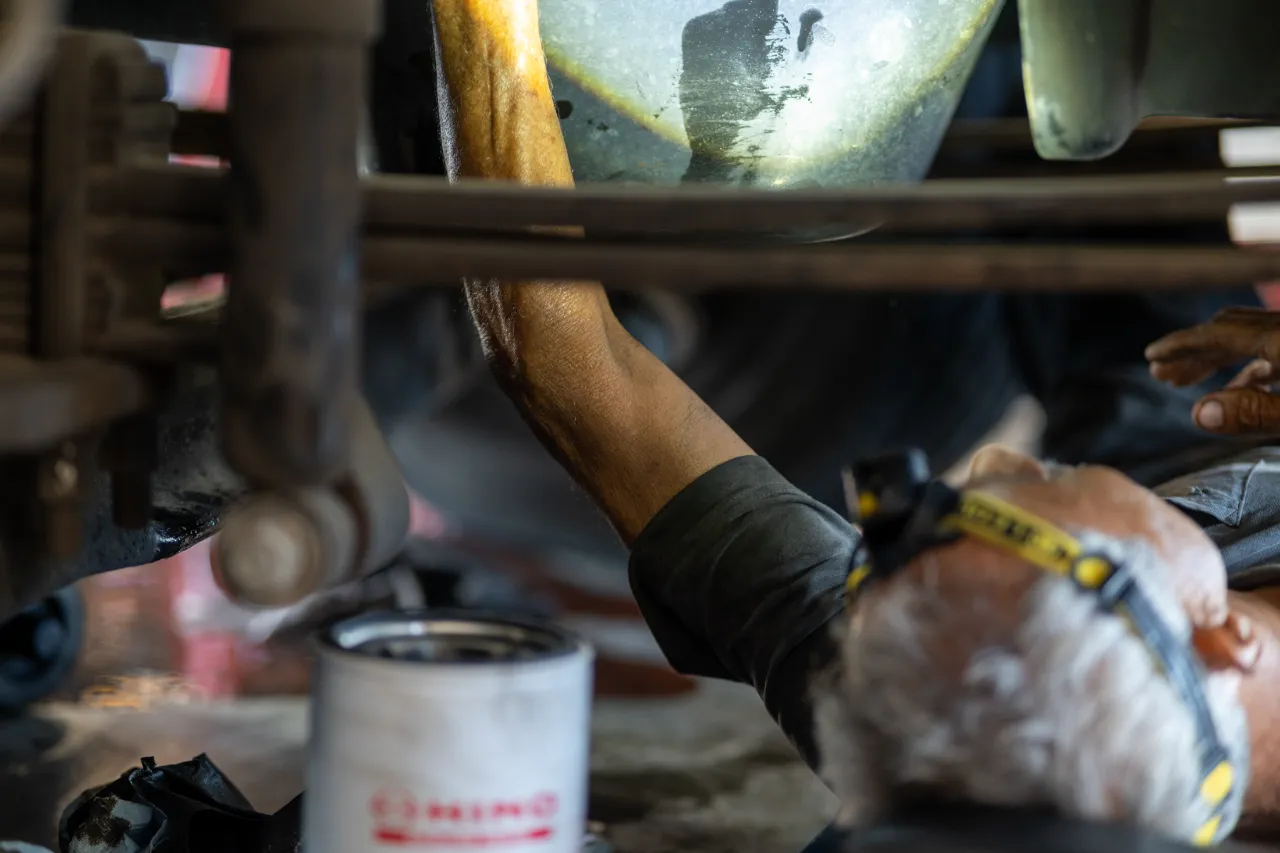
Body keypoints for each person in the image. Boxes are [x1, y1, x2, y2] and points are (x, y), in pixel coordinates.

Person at [430, 0, 1280, 843]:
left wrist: (485, 19)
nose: (997, 465)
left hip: (1135, 463)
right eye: (1001, 510)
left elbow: (566, 361)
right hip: (1198, 420)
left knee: (1010, 112)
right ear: (1231, 635)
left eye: (942, 529)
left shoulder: (912, 681)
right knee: (1116, 119)